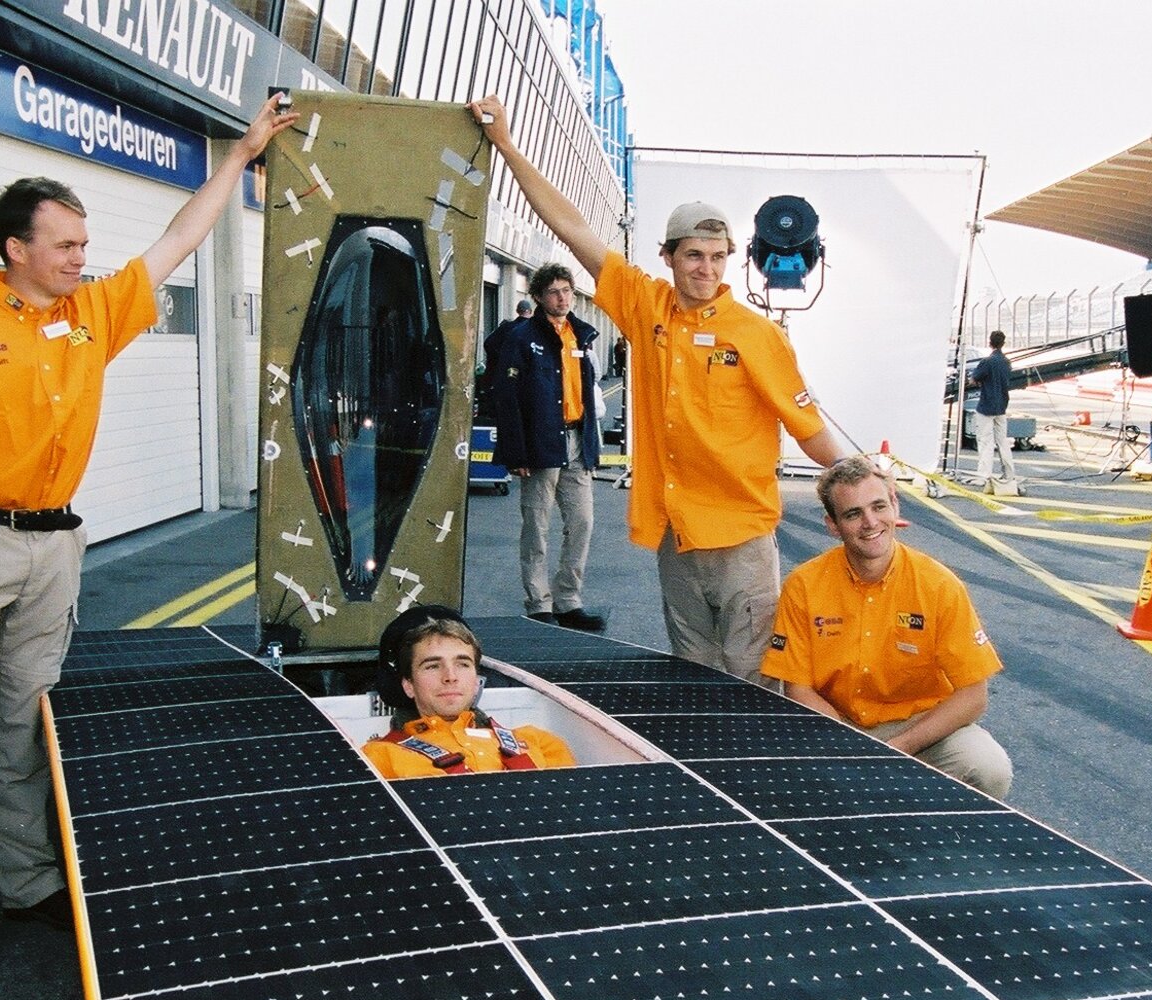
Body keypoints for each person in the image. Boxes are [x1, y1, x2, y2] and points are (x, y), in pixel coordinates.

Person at [0, 95, 300, 991]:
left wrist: (241, 155)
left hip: (53, 549)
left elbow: (180, 240)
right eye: (64, 244)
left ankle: (26, 881)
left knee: (31, 727)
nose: (81, 256)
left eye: (83, 241)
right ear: (16, 250)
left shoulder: (94, 314)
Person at [468, 95, 847, 678]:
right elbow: (569, 225)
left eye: (718, 257)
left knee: (748, 686)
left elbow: (812, 430)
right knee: (692, 676)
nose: (706, 269)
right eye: (693, 255)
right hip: (677, 536)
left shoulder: (757, 335)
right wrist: (508, 146)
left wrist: (864, 484)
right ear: (667, 256)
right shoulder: (646, 305)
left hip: (742, 539)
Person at [760, 455, 1013, 800]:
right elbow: (798, 689)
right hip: (834, 725)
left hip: (917, 729)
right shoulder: (804, 585)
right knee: (764, 774)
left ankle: (941, 845)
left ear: (895, 504)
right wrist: (849, 745)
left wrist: (900, 747)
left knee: (988, 767)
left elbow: (973, 696)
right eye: (852, 514)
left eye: (879, 506)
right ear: (832, 525)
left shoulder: (938, 585)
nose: (870, 522)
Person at [488, 262, 606, 631]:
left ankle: (568, 599)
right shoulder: (522, 338)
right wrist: (515, 452)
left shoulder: (581, 336)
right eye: (554, 292)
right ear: (538, 297)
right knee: (536, 526)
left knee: (582, 522)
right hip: (539, 443)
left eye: (567, 291)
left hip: (575, 440)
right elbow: (506, 398)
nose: (563, 298)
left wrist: (592, 446)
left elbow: (588, 392)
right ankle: (539, 602)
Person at [361, 617, 576, 778]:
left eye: (462, 664)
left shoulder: (539, 741)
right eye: (433, 666)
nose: (450, 677)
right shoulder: (377, 757)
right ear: (409, 686)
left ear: (475, 682)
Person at [969, 330, 1020, 495]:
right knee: (1003, 442)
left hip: (986, 406)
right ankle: (1009, 473)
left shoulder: (987, 361)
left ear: (990, 342)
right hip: (1002, 406)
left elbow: (974, 378)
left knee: (985, 442)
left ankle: (984, 475)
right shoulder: (1006, 362)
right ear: (1003, 343)